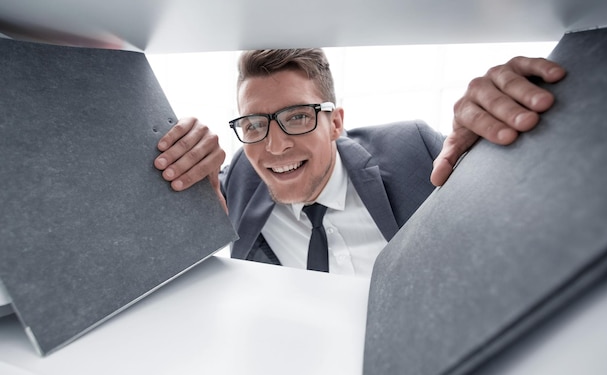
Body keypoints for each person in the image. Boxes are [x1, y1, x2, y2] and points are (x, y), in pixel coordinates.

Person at [153, 49, 566, 277]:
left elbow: (510, 207)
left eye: (297, 117)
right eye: (256, 123)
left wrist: (504, 144)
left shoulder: (413, 149)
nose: (274, 146)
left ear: (335, 123)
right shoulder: (242, 176)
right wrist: (196, 207)